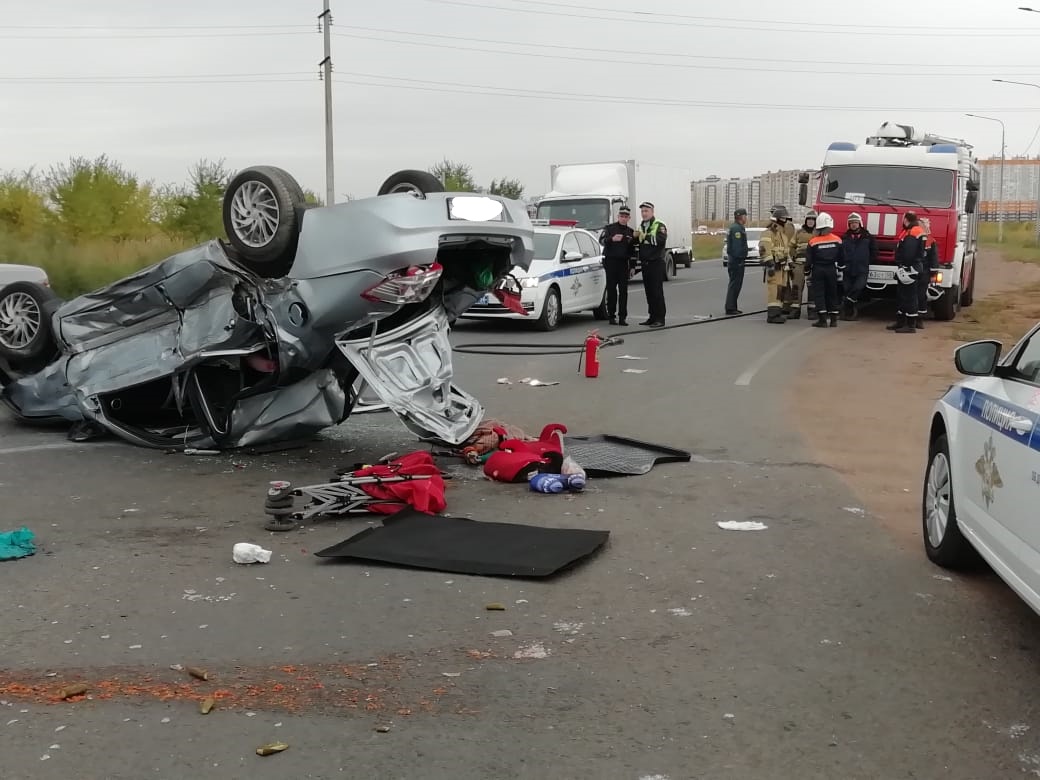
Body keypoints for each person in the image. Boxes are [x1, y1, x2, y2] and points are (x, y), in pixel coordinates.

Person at [805, 211, 846, 328]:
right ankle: (833, 320)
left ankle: (822, 320)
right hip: (831, 269)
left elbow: (809, 260)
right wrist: (841, 269)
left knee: (819, 294)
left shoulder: (813, 242)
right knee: (832, 293)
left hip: (818, 269)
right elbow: (842, 257)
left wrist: (807, 272)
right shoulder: (837, 240)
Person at [888, 210, 926, 333]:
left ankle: (910, 325)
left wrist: (904, 266)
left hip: (909, 268)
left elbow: (909, 253)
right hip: (910, 268)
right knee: (902, 296)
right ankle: (900, 322)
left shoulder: (912, 233)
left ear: (906, 220)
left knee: (909, 297)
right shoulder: (914, 231)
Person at [598, 206, 636, 325]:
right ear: (618, 216)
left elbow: (633, 251)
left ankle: (622, 317)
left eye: (626, 217)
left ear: (629, 218)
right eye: (621, 216)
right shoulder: (609, 228)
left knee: (623, 291)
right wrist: (611, 239)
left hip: (623, 264)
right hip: (611, 262)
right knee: (611, 290)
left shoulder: (630, 232)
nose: (623, 219)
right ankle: (611, 316)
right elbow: (601, 241)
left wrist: (633, 266)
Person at [635, 201, 668, 328]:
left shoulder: (659, 225)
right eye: (642, 211)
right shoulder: (642, 225)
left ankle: (660, 318)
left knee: (656, 291)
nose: (644, 213)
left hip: (656, 262)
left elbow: (660, 240)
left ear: (652, 212)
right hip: (645, 263)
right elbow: (639, 241)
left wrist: (645, 237)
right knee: (648, 292)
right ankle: (652, 316)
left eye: (646, 211)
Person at [840, 212, 878, 321]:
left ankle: (847, 303)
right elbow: (840, 252)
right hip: (848, 268)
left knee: (858, 287)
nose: (853, 225)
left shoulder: (868, 237)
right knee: (847, 289)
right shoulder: (845, 237)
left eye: (855, 222)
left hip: (862, 268)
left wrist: (867, 261)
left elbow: (874, 251)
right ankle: (849, 311)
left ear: (860, 223)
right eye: (851, 223)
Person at [759, 209, 794, 324]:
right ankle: (772, 315)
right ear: (778, 219)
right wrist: (770, 264)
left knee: (781, 291)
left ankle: (777, 312)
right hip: (774, 267)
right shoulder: (768, 233)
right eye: (784, 219)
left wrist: (790, 262)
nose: (786, 221)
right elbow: (764, 249)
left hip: (783, 268)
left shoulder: (782, 235)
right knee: (774, 290)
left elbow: (785, 251)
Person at [787, 210, 817, 320]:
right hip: (799, 264)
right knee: (796, 287)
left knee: (812, 288)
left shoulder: (818, 233)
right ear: (805, 220)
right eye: (808, 219)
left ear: (815, 221)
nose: (810, 222)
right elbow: (791, 246)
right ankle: (795, 310)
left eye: (812, 220)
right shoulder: (799, 232)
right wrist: (793, 257)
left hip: (813, 265)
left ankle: (812, 311)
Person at [724, 207, 749, 315]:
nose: (746, 218)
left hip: (734, 260)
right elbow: (737, 246)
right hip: (736, 261)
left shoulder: (737, 227)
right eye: (745, 216)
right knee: (735, 284)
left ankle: (732, 306)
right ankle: (730, 307)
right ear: (741, 217)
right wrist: (740, 259)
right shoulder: (737, 229)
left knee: (735, 284)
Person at [915, 217, 939, 329]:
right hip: (913, 271)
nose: (920, 227)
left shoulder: (931, 241)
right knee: (910, 296)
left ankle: (920, 319)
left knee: (921, 295)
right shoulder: (913, 238)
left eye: (922, 225)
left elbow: (934, 257)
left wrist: (933, 272)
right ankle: (909, 318)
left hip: (924, 272)